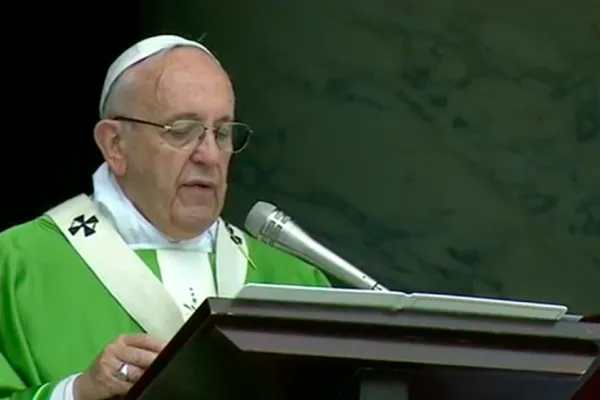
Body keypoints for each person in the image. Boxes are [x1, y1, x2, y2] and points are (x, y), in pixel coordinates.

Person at [0, 34, 330, 400]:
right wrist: (75, 393)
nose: (209, 155)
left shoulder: (293, 282)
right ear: (115, 145)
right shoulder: (17, 265)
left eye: (221, 133)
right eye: (182, 131)